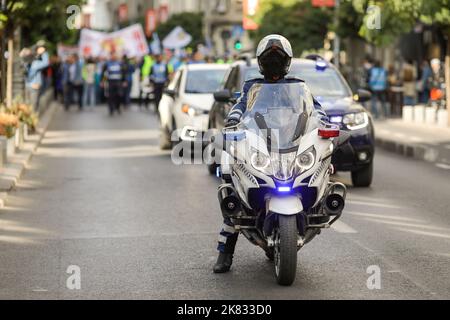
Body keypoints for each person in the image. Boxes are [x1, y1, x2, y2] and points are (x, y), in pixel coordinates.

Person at [213, 34, 329, 274]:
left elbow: (315, 110)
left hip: (290, 144)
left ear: (287, 61)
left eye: (278, 58)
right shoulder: (252, 87)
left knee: (322, 164)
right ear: (261, 61)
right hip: (260, 144)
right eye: (270, 59)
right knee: (231, 185)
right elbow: (240, 107)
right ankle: (225, 253)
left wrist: (324, 123)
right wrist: (233, 121)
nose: (274, 64)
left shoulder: (298, 86)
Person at [21, 43, 49, 112]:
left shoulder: (25, 63)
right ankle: (33, 120)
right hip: (34, 86)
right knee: (33, 106)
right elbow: (46, 63)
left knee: (28, 104)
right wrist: (44, 52)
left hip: (27, 85)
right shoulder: (35, 63)